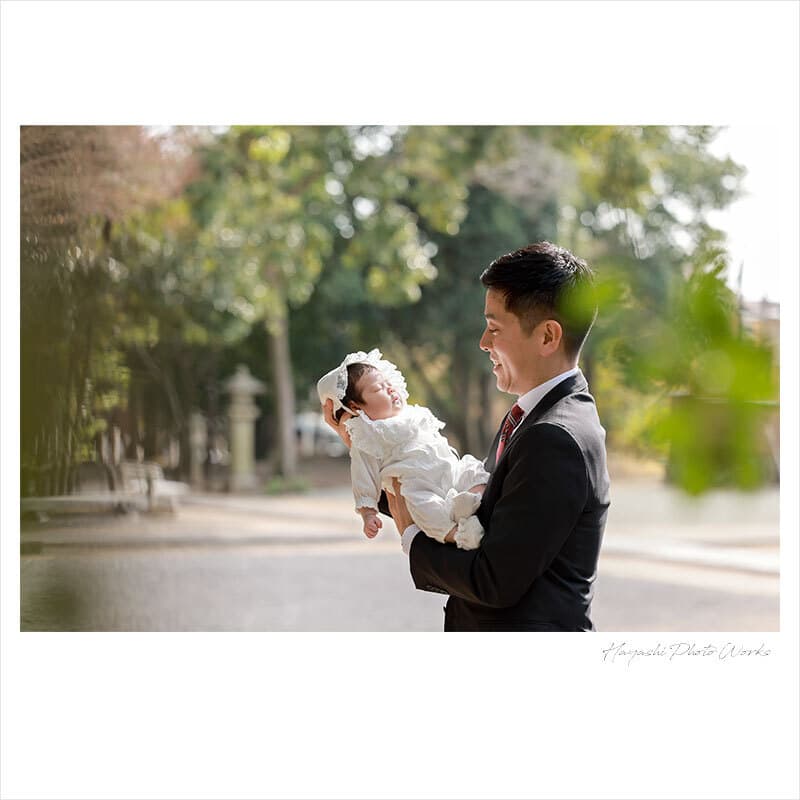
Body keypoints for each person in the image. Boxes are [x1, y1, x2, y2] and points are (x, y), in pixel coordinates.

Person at [324, 242, 610, 632]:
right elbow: (461, 503)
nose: (483, 342)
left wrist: (412, 537)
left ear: (547, 337)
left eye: (494, 328)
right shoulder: (537, 415)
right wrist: (368, 446)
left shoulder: (555, 436)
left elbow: (493, 580)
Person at [317, 349, 490, 550]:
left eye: (388, 383)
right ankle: (458, 534)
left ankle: (470, 499)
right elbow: (362, 475)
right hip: (419, 484)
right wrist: (368, 513)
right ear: (356, 407)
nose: (390, 389)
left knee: (472, 466)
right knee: (423, 508)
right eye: (378, 389)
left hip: (449, 470)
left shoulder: (412, 413)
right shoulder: (367, 436)